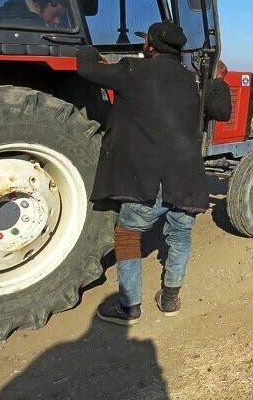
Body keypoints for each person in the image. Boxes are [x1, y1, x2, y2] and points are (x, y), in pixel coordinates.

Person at [76, 20, 231, 325]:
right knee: (181, 234)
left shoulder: (135, 71)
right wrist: (218, 80)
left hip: (149, 176)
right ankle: (170, 299)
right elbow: (223, 112)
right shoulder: (194, 81)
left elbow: (85, 68)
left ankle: (129, 307)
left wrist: (87, 45)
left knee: (128, 234)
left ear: (150, 45)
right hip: (187, 176)